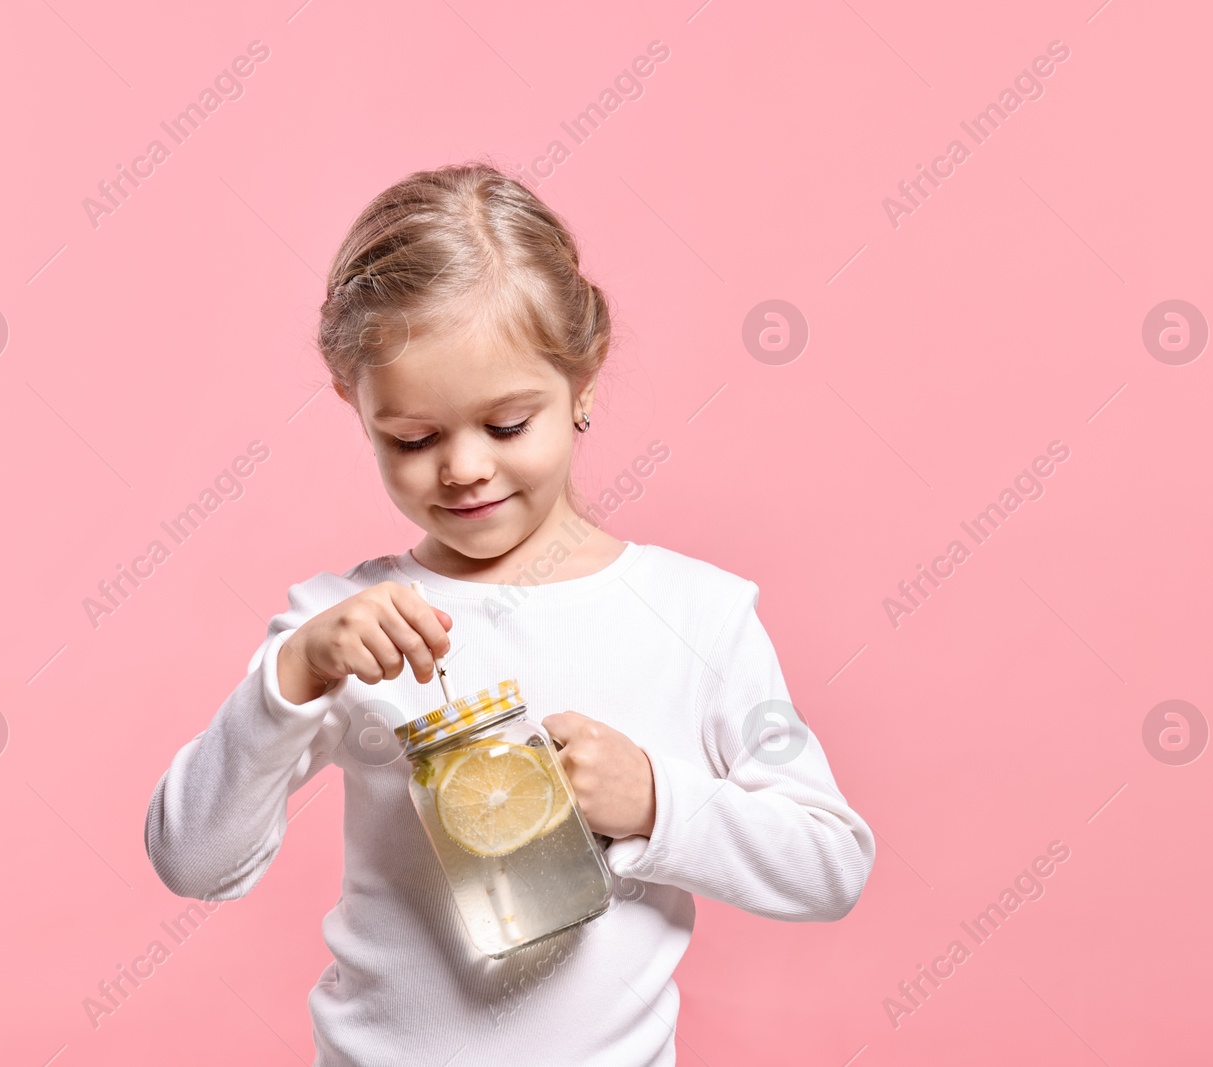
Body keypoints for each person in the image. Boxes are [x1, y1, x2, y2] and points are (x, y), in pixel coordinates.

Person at [143, 160, 875, 1066]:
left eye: (505, 425)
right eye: (413, 438)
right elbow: (193, 859)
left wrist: (657, 803)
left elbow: (831, 860)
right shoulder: (342, 626)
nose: (462, 469)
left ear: (583, 382)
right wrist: (291, 675)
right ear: (357, 407)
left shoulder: (699, 615)